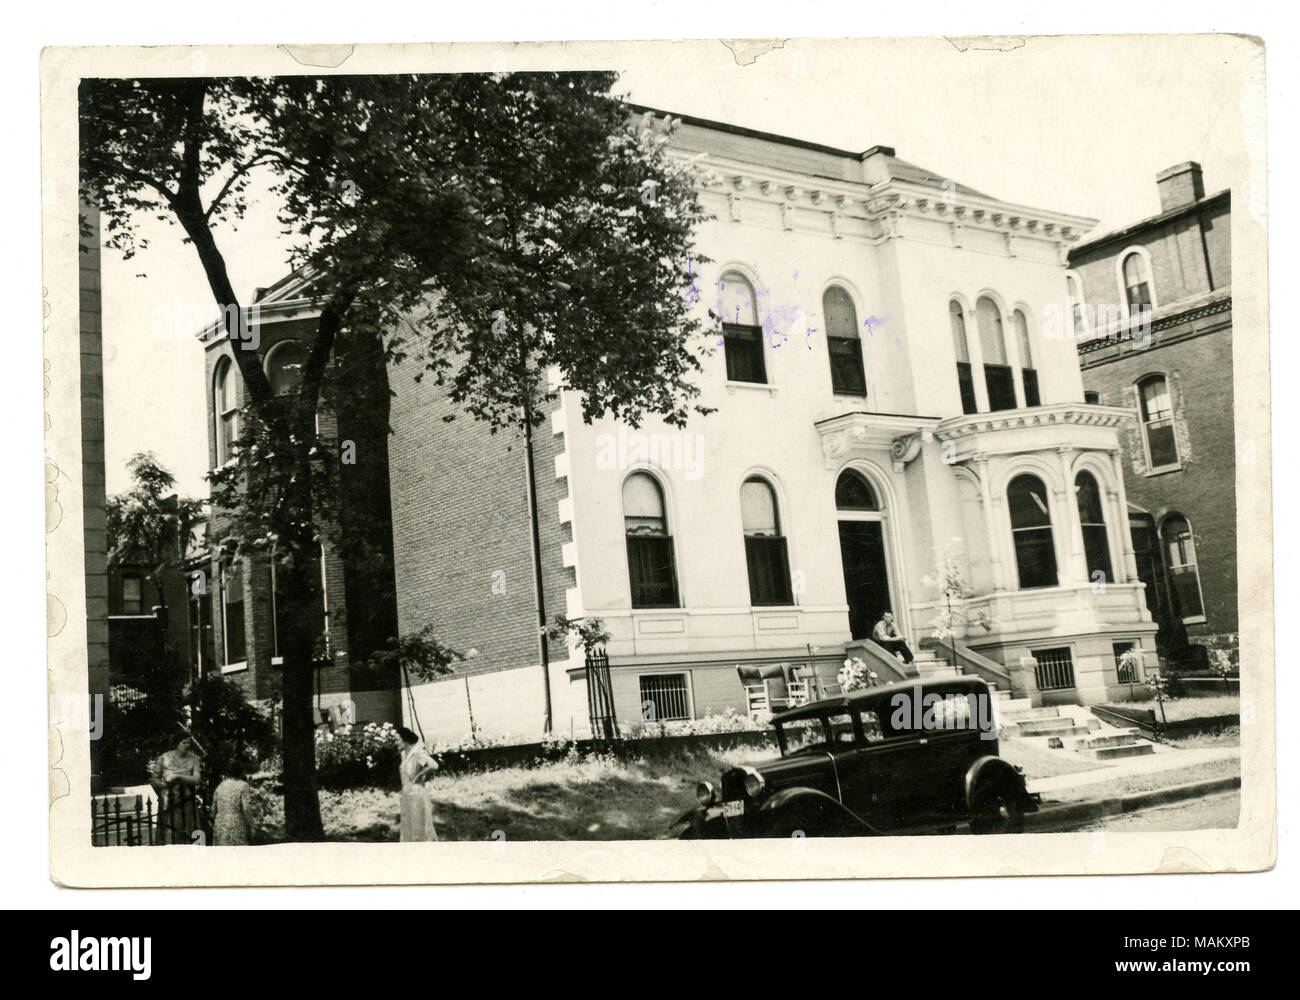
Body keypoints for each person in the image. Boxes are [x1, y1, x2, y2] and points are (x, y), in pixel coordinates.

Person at [147, 735, 202, 843]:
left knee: (187, 831)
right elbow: (154, 780)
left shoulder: (194, 758)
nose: (187, 745)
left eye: (189, 743)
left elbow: (196, 779)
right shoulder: (164, 758)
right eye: (184, 742)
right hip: (168, 800)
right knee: (169, 832)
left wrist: (179, 776)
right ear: (177, 744)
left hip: (186, 801)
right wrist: (165, 785)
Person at [396, 726, 440, 842]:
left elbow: (434, 765)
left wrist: (420, 775)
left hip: (416, 795)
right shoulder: (404, 755)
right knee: (407, 826)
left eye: (397, 740)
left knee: (418, 827)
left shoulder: (417, 753)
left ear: (405, 740)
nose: (395, 743)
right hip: (407, 794)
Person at [212, 760, 260, 846]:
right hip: (236, 824)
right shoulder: (243, 785)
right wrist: (252, 826)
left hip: (220, 825)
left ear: (228, 773)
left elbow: (213, 810)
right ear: (241, 773)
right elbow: (246, 808)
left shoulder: (220, 786)